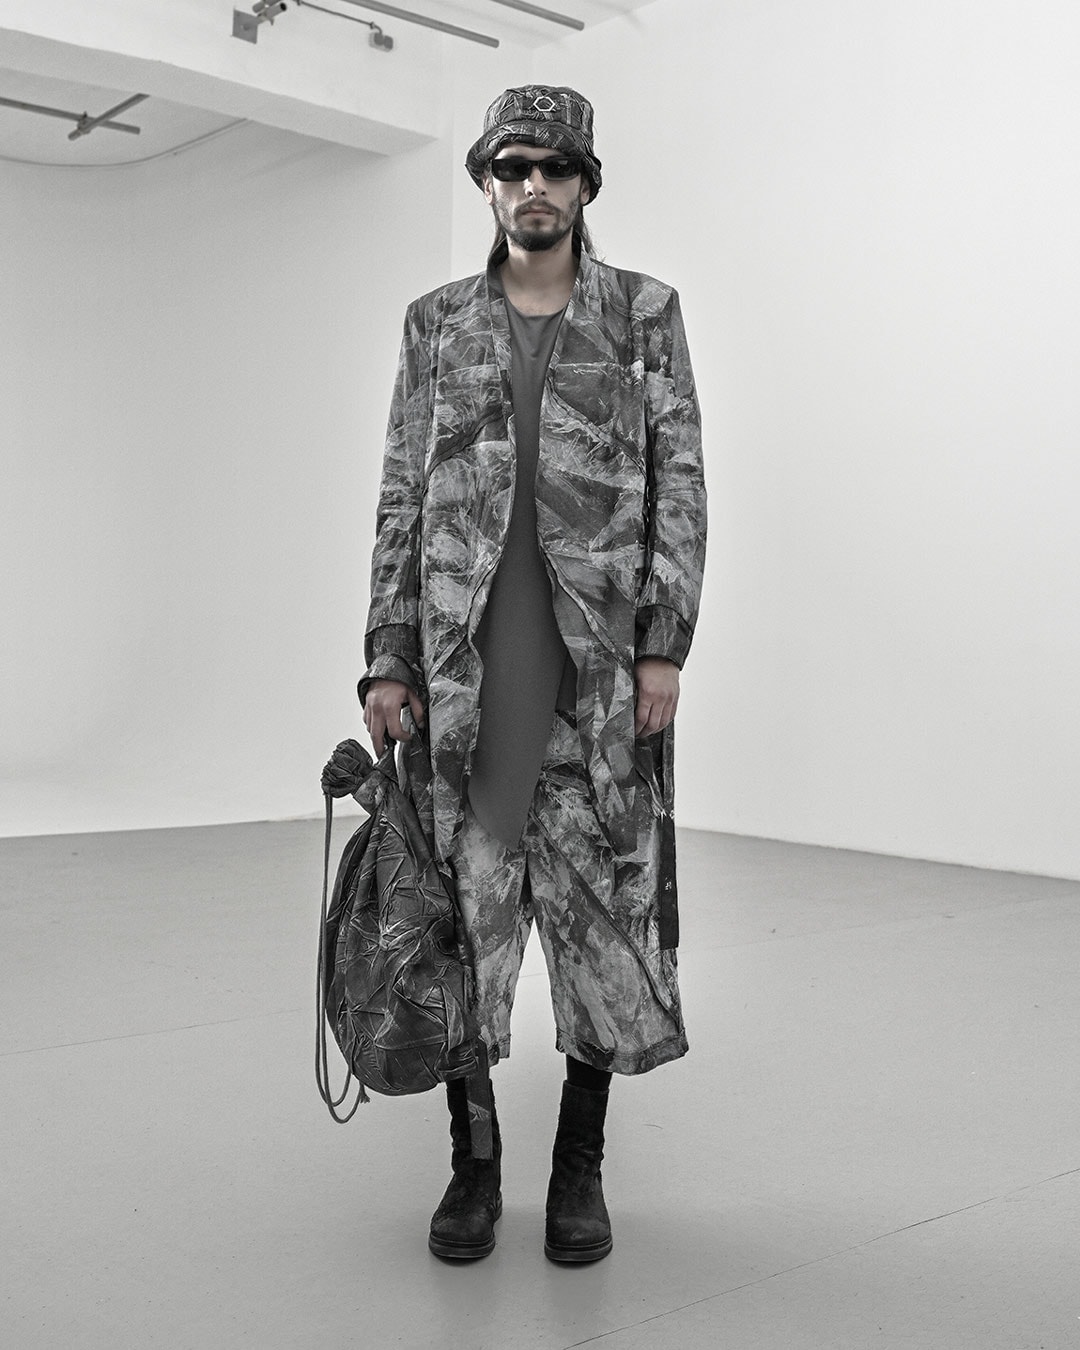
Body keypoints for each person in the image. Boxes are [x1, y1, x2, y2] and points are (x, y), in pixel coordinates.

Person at [359, 85, 706, 1263]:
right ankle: (474, 1166)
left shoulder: (645, 316)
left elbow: (680, 484)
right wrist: (388, 656)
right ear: (488, 183)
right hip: (464, 688)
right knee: (462, 933)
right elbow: (401, 498)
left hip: (596, 688)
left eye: (557, 167)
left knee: (603, 938)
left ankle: (578, 1170)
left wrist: (662, 642)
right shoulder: (437, 325)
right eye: (514, 168)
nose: (535, 186)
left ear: (586, 184)